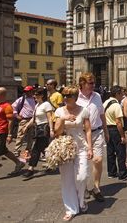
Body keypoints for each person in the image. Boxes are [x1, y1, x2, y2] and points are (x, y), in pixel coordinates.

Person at [54, 86, 93, 221]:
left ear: (75, 97)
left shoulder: (84, 110)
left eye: (68, 96)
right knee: (66, 179)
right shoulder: (59, 111)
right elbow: (56, 132)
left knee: (82, 176)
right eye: (64, 95)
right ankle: (71, 208)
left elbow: (88, 130)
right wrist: (63, 119)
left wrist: (90, 148)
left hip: (81, 146)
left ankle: (81, 200)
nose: (65, 98)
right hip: (65, 148)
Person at [77, 73, 108, 202]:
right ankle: (83, 188)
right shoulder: (75, 97)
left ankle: (96, 187)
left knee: (98, 160)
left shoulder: (97, 96)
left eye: (93, 83)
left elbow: (102, 114)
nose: (93, 86)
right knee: (82, 164)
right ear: (82, 84)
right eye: (90, 83)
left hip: (97, 132)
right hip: (81, 135)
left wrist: (106, 131)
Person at [22, 88, 54, 178]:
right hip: (37, 129)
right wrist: (26, 126)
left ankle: (30, 169)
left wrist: (51, 129)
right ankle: (52, 163)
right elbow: (34, 118)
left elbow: (50, 118)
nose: (34, 96)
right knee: (44, 148)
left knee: (36, 148)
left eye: (36, 94)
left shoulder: (46, 104)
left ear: (42, 95)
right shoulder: (37, 105)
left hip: (44, 129)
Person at [103, 86, 127, 180]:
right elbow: (118, 122)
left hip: (107, 129)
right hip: (116, 130)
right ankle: (123, 174)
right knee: (120, 152)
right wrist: (122, 136)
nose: (122, 96)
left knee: (110, 152)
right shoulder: (116, 105)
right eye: (121, 94)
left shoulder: (106, 102)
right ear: (117, 94)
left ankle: (111, 172)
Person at [12, 86, 36, 157]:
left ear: (32, 92)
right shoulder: (22, 99)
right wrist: (16, 115)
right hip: (24, 120)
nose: (27, 93)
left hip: (32, 119)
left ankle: (28, 150)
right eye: (26, 91)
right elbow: (13, 107)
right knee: (20, 135)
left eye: (28, 91)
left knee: (30, 136)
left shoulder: (35, 99)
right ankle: (17, 150)